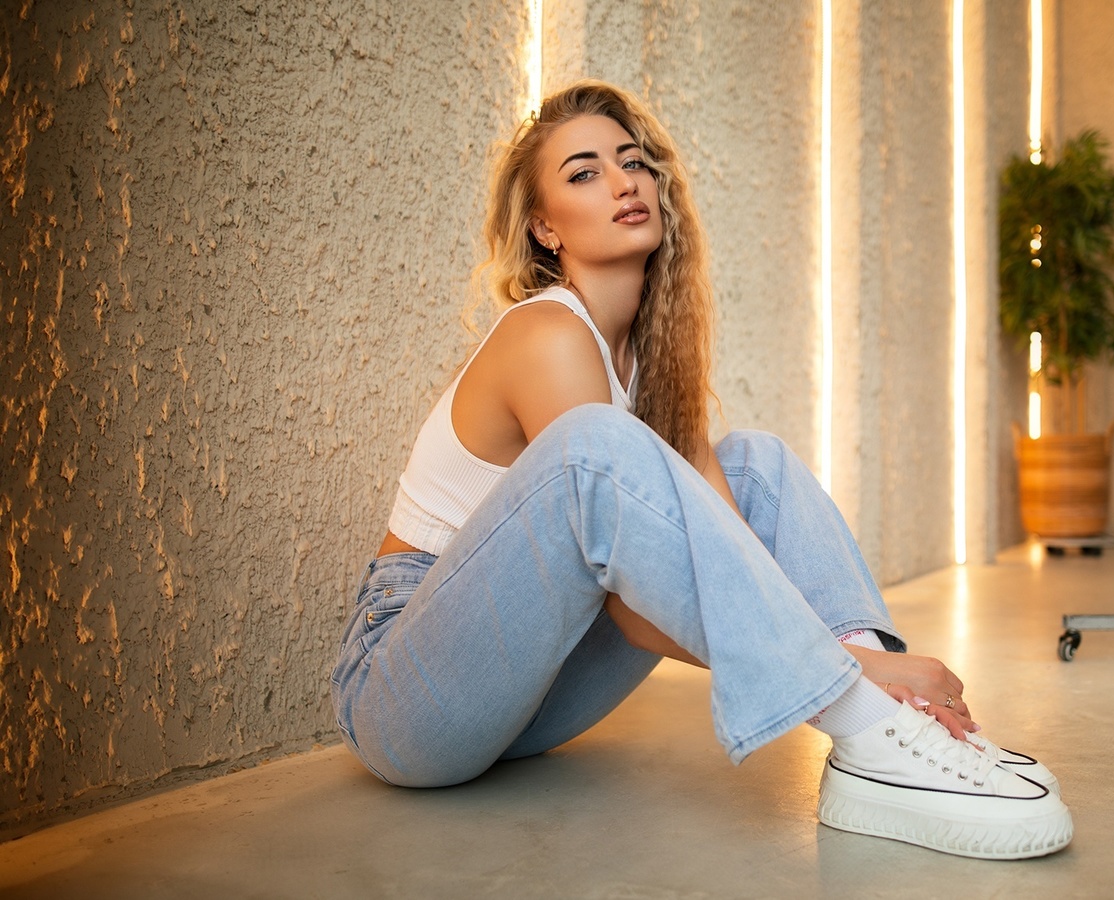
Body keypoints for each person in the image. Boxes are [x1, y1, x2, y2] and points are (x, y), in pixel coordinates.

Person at [330, 80, 1071, 860]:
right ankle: (866, 710)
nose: (622, 183)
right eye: (583, 173)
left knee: (756, 466)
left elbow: (727, 544)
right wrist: (849, 669)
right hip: (405, 694)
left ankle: (889, 736)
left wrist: (857, 652)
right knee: (597, 448)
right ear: (545, 227)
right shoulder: (545, 336)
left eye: (633, 162)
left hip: (523, 695)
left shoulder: (646, 356)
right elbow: (636, 609)